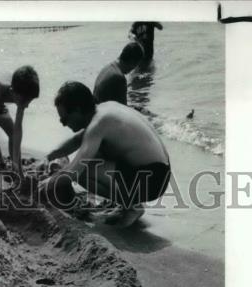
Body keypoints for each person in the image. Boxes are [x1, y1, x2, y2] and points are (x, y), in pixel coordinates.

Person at [41, 81, 171, 227]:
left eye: (64, 119)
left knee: (83, 171)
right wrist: (49, 156)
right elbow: (76, 140)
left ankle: (133, 207)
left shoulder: (98, 125)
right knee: (92, 154)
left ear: (77, 110)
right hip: (157, 170)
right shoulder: (104, 109)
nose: (63, 124)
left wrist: (45, 184)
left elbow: (73, 173)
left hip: (153, 180)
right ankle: (128, 202)